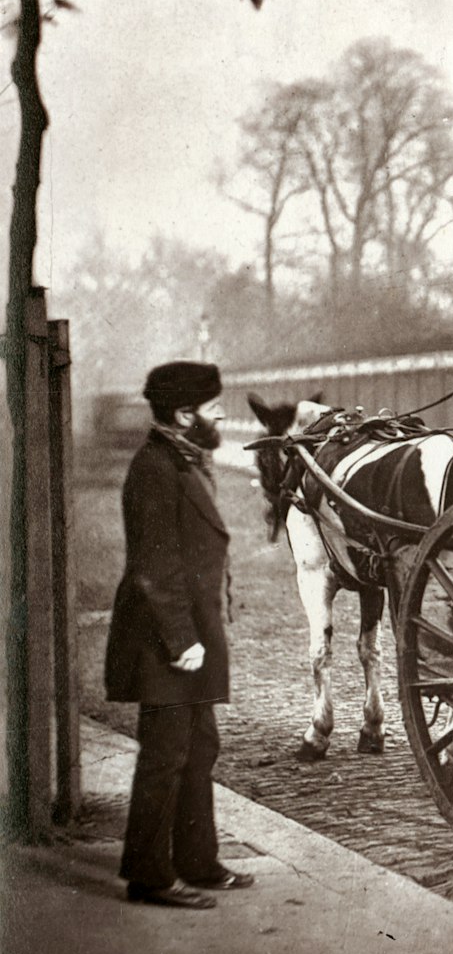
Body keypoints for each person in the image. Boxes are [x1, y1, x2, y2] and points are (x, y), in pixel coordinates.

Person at [105, 361, 254, 909]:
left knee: (200, 747)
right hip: (166, 640)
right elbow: (153, 565)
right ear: (184, 414)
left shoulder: (180, 459)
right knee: (165, 754)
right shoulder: (154, 468)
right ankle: (149, 875)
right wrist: (181, 639)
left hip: (189, 635)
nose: (220, 413)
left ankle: (197, 860)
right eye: (212, 406)